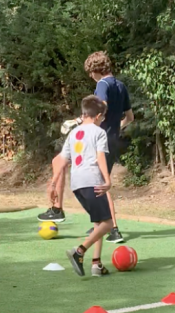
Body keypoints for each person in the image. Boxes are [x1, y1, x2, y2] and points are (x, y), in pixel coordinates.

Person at [39, 51, 134, 244]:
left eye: (91, 72)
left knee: (94, 181)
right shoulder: (121, 86)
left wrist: (78, 121)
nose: (91, 77)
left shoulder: (102, 84)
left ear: (96, 70)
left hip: (96, 139)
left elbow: (101, 109)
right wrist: (114, 130)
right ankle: (102, 222)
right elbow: (130, 117)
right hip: (112, 139)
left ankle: (112, 228)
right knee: (94, 179)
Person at [50, 95, 113, 277]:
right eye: (102, 118)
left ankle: (96, 265)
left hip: (77, 184)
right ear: (98, 116)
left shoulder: (73, 134)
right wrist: (107, 181)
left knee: (98, 222)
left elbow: (62, 161)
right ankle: (79, 252)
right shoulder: (99, 132)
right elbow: (100, 157)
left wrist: (53, 184)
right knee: (108, 223)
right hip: (93, 181)